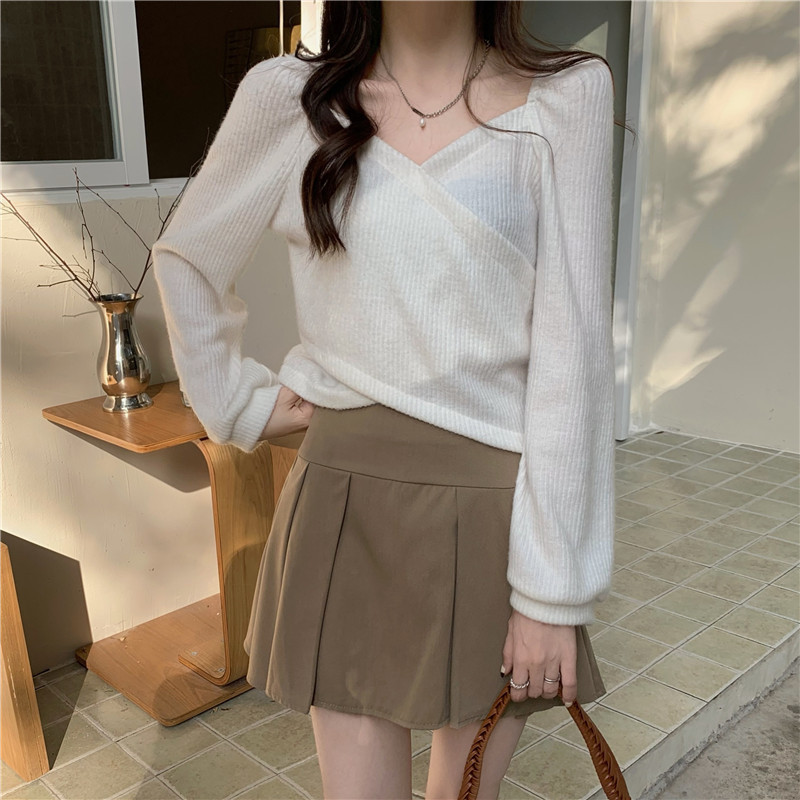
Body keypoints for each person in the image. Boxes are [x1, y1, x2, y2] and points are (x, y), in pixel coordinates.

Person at [152, 1, 624, 797]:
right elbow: (188, 257)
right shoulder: (288, 98)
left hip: (493, 510)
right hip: (343, 501)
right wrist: (238, 404)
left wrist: (552, 593)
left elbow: (573, 355)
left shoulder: (567, 95)